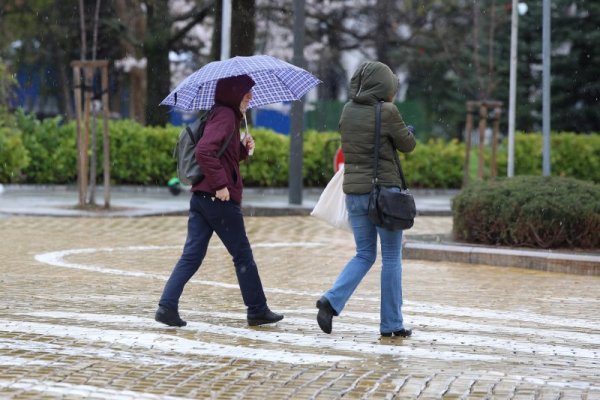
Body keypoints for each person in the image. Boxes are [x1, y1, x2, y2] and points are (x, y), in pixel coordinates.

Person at [155, 74, 284, 327]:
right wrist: (221, 185)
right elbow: (205, 151)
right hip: (218, 199)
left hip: (202, 197)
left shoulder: (222, 115)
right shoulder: (225, 116)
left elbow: (222, 155)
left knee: (192, 256)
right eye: (247, 92)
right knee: (242, 256)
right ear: (235, 92)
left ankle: (166, 306)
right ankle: (257, 310)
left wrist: (243, 149)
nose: (251, 96)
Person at [316, 61, 416, 337]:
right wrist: (409, 131)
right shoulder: (388, 111)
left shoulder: (347, 111)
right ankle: (391, 324)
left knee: (364, 254)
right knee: (392, 258)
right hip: (384, 195)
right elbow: (407, 145)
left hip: (355, 195)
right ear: (384, 86)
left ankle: (331, 301)